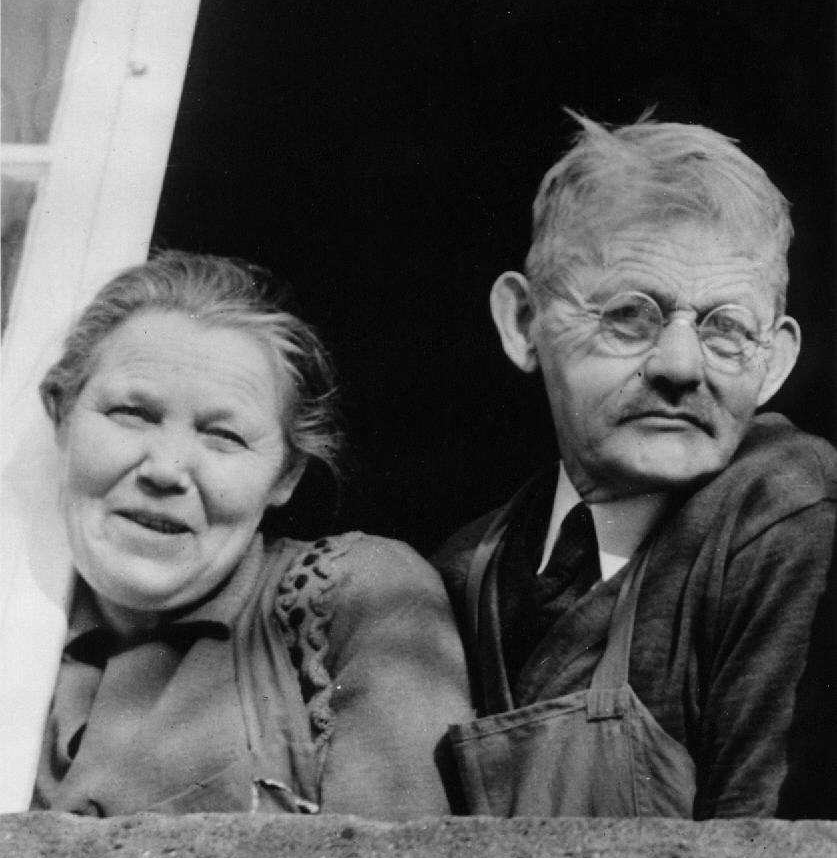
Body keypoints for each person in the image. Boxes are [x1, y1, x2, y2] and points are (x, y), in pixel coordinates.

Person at [435, 112, 837, 820]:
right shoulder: (466, 571)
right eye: (629, 315)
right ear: (522, 322)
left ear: (773, 362)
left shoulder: (792, 514)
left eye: (726, 328)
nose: (679, 366)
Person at [33, 250, 471, 818]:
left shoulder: (358, 597)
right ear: (62, 416)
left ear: (286, 476)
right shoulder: (18, 624)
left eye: (224, 436)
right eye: (132, 413)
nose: (165, 469)